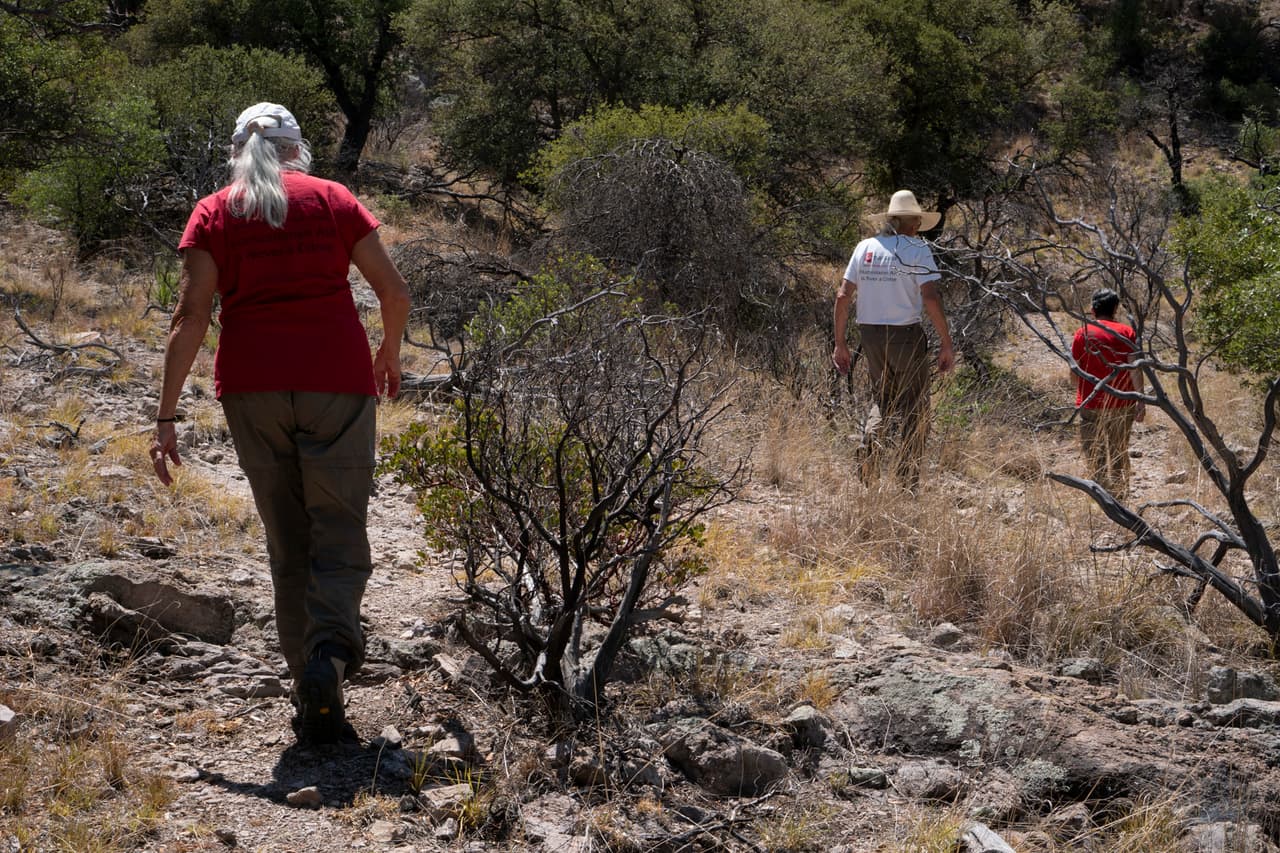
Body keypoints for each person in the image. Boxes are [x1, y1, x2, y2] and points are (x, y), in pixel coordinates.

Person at [149, 103, 412, 744]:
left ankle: (310, 693)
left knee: (288, 540)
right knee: (339, 532)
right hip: (336, 382)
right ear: (298, 149)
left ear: (238, 152)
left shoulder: (213, 211)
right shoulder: (333, 199)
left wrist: (166, 415)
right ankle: (327, 657)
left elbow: (189, 320)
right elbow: (394, 291)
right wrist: (388, 352)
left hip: (251, 388)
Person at [832, 189, 955, 487]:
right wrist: (946, 342)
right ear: (911, 222)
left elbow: (843, 295)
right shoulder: (917, 249)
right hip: (905, 335)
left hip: (870, 334)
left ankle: (870, 446)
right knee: (915, 407)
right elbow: (930, 297)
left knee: (883, 398)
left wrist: (840, 343)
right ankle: (907, 481)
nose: (917, 227)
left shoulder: (865, 247)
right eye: (916, 222)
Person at [1071, 287, 1145, 498]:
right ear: (1115, 309)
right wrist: (1140, 400)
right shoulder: (1126, 333)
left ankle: (1101, 497)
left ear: (1093, 309)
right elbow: (1135, 369)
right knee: (1119, 450)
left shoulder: (1082, 332)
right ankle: (1121, 496)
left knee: (1095, 452)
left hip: (1090, 402)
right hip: (1122, 403)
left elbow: (1074, 371)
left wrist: (1081, 391)